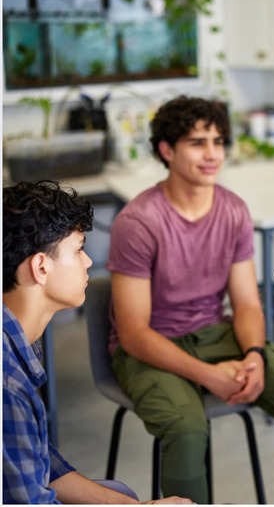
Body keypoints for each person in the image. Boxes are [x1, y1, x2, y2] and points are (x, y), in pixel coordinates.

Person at [106, 96, 274, 503]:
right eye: (198, 143)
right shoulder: (138, 222)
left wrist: (253, 354)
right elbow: (133, 333)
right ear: (167, 150)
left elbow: (247, 303)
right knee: (187, 429)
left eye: (217, 141)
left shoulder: (232, 211)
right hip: (149, 347)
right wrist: (207, 374)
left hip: (215, 333)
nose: (212, 154)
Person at [2, 180, 191, 505]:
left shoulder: (18, 341)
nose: (89, 262)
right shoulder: (9, 386)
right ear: (41, 267)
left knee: (122, 495)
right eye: (78, 250)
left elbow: (42, 464)